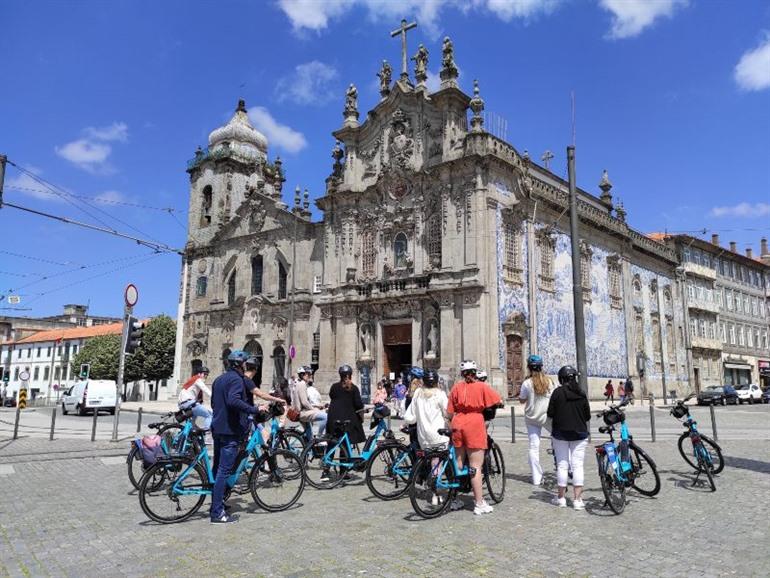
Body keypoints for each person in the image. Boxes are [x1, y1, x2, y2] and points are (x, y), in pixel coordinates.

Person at [209, 350, 266, 524]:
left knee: (217, 468)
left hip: (218, 428)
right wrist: (254, 409)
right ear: (239, 365)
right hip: (230, 430)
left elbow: (213, 403)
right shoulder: (236, 380)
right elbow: (234, 401)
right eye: (244, 364)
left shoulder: (219, 379)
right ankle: (217, 513)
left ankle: (216, 503)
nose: (245, 367)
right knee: (223, 471)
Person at [446, 360, 502, 516]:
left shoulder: (456, 388)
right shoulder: (482, 386)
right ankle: (479, 502)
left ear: (462, 374)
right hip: (475, 424)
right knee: (475, 467)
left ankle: (454, 498)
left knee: (457, 463)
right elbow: (497, 400)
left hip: (458, 424)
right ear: (475, 372)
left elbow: (449, 412)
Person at [546, 365, 591, 511]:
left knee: (562, 465)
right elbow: (587, 416)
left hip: (560, 434)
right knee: (577, 465)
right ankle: (577, 500)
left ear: (561, 378)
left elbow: (550, 413)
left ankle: (561, 498)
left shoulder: (557, 393)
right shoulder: (581, 393)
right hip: (580, 434)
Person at [518, 355, 554, 486]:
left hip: (532, 418)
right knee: (559, 440)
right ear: (542, 367)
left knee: (534, 447)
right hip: (547, 417)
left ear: (528, 367)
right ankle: (567, 467)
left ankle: (537, 478)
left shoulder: (526, 383)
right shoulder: (549, 381)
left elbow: (522, 400)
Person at [325, 364, 365, 481]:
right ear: (350, 375)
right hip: (347, 421)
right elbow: (358, 405)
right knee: (345, 446)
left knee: (331, 444)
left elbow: (332, 396)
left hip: (333, 420)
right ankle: (343, 472)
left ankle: (326, 471)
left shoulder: (334, 387)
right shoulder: (354, 388)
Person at [293, 366, 327, 443]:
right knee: (325, 417)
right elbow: (304, 402)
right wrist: (313, 409)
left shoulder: (300, 384)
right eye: (308, 374)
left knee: (309, 435)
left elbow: (304, 402)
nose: (310, 376)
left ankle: (308, 450)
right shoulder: (302, 384)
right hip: (302, 413)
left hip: (301, 411)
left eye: (310, 374)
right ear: (302, 375)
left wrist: (316, 406)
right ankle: (319, 436)